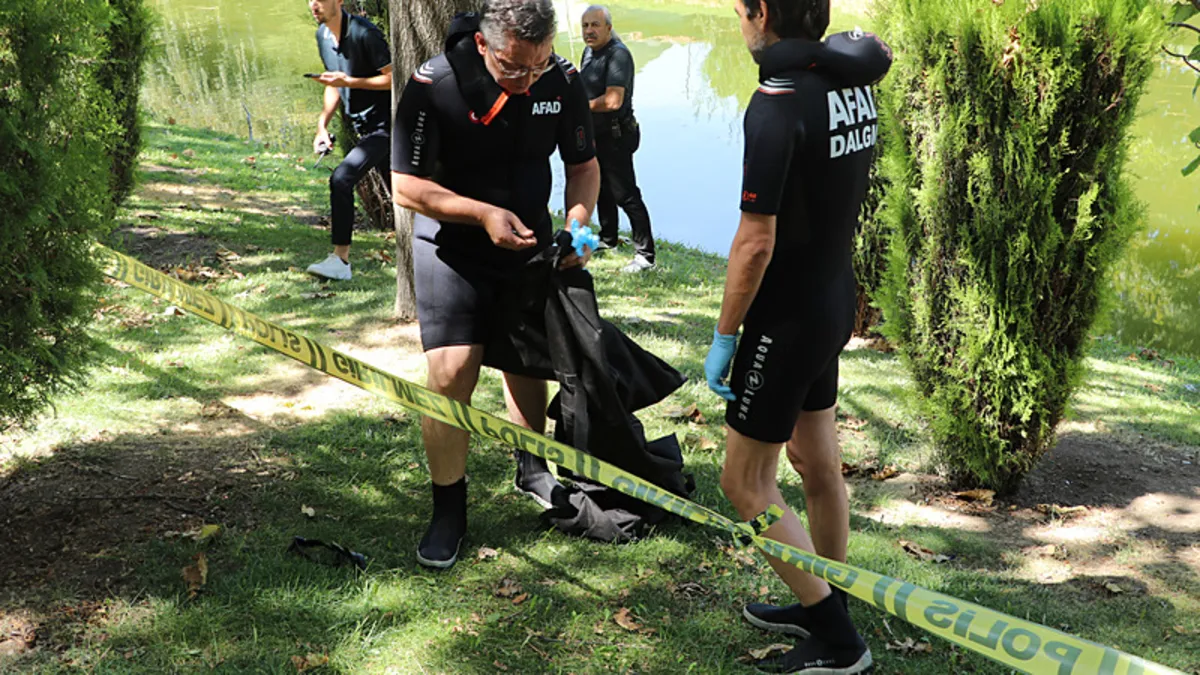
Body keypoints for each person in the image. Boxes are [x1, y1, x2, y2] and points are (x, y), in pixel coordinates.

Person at [703, 0, 891, 672]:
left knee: (743, 482)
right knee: (816, 464)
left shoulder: (777, 101)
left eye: (740, 9)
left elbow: (755, 243)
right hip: (833, 298)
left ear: (761, 12)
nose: (738, 20)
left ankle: (839, 641)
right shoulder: (851, 82)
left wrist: (726, 333)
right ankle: (827, 598)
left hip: (786, 315)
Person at [391, 0, 600, 569]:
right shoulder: (435, 85)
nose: (528, 80)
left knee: (529, 362)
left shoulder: (560, 79)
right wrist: (482, 213)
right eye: (515, 68)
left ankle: (531, 467)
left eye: (539, 65)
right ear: (484, 45)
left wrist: (578, 227)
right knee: (453, 370)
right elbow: (406, 187)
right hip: (452, 245)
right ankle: (448, 510)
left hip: (529, 240)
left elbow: (584, 165)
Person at [305, 0, 393, 281]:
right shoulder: (322, 35)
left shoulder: (365, 33)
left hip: (388, 125)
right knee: (404, 193)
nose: (313, 5)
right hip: (363, 128)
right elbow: (333, 84)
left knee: (341, 179)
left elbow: (393, 79)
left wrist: (350, 82)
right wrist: (322, 125)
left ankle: (340, 261)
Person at [579, 5, 656, 273]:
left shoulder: (618, 55)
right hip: (596, 133)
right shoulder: (589, 52)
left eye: (595, 25)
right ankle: (608, 238)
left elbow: (613, 101)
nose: (589, 31)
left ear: (608, 28)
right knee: (600, 187)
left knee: (626, 193)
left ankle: (645, 255)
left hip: (616, 134)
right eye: (585, 26)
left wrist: (580, 106)